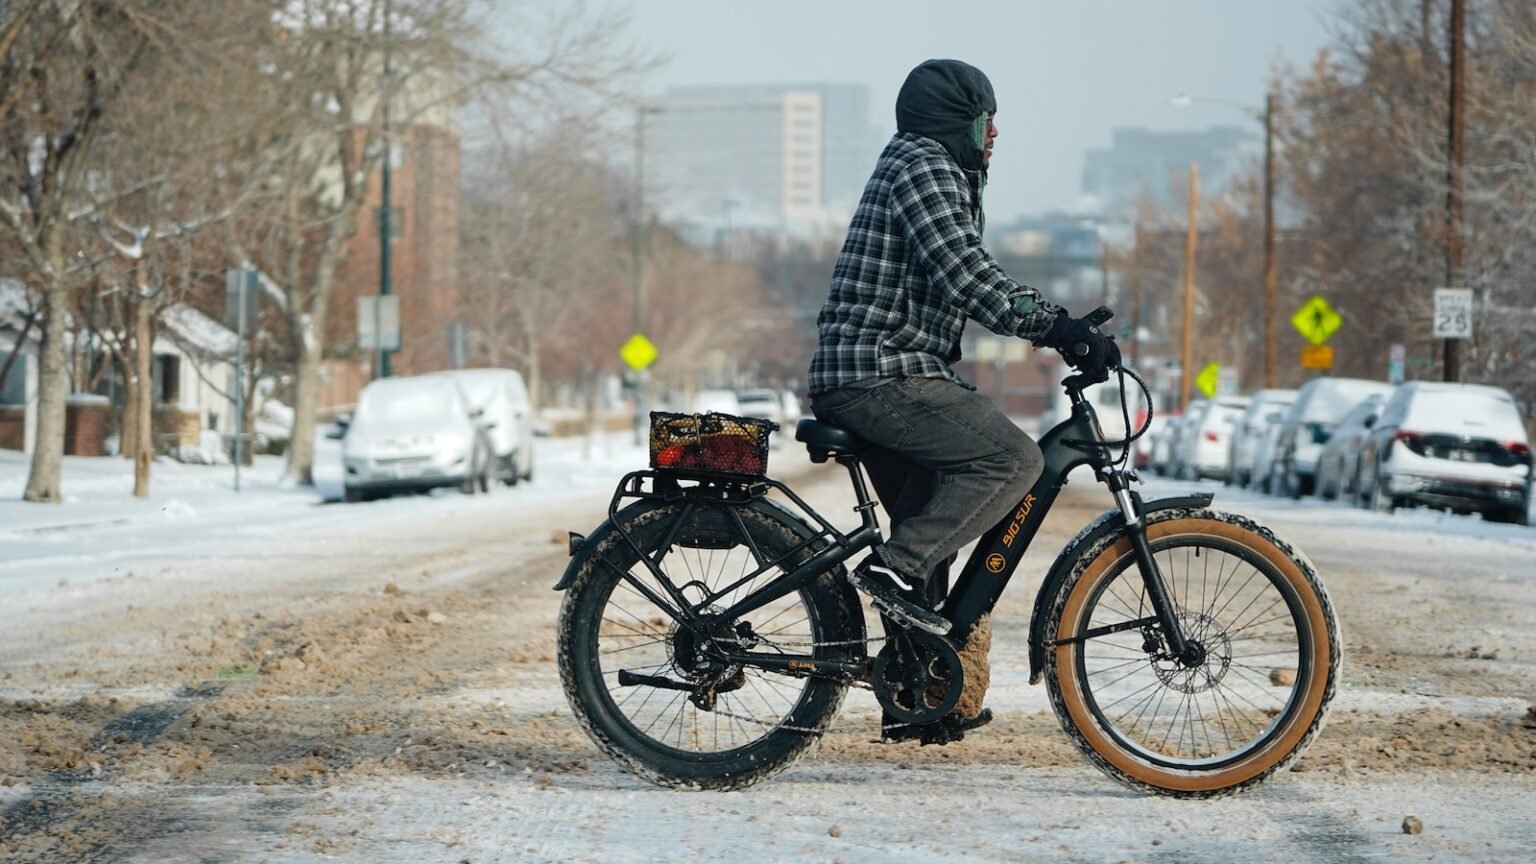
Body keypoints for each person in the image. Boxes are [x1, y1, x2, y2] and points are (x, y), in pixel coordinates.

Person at [806, 59, 1117, 736]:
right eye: (987, 119)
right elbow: (966, 274)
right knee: (1009, 460)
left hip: (888, 371)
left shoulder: (927, 166)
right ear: (958, 120)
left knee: (931, 522)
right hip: (877, 374)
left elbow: (959, 274)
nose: (996, 133)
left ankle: (918, 699)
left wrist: (1053, 326)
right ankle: (891, 570)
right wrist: (1055, 326)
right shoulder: (924, 164)